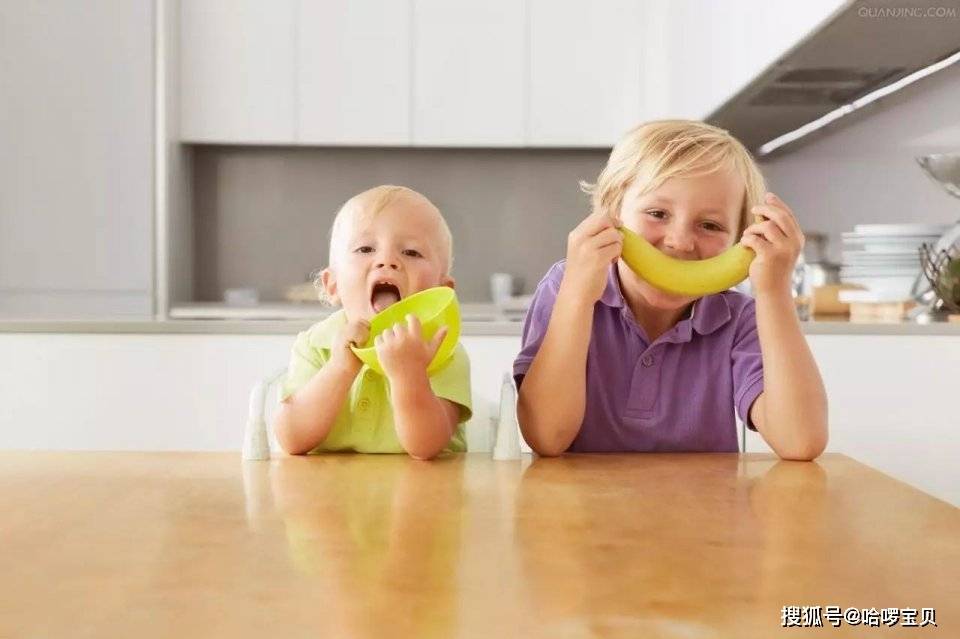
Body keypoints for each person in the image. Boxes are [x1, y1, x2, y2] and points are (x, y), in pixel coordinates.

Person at [514, 120, 828, 459]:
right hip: (582, 509)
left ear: (740, 241)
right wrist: (576, 298)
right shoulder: (567, 287)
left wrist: (774, 292)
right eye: (657, 213)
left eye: (710, 225)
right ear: (612, 212)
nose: (679, 242)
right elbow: (546, 437)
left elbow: (800, 442)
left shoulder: (738, 319)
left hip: (703, 508)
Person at [274, 185, 471, 459]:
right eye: (365, 248)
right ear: (333, 285)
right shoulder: (315, 345)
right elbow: (292, 439)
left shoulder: (441, 348)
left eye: (412, 252)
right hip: (328, 495)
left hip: (423, 495)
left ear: (442, 291)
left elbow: (427, 447)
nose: (387, 260)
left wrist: (409, 375)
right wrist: (339, 369)